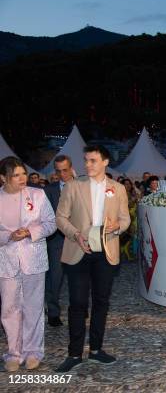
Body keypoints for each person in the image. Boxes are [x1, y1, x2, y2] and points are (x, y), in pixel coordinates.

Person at [54, 145, 130, 372]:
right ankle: (74, 353)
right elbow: (60, 217)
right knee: (77, 303)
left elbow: (125, 219)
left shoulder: (118, 189)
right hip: (79, 251)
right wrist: (76, 235)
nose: (88, 164)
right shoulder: (73, 186)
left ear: (105, 162)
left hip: (105, 252)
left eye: (93, 160)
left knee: (101, 302)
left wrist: (117, 227)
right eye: (86, 160)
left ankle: (96, 350)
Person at [0, 156, 56, 371]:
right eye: (16, 175)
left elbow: (50, 224)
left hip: (34, 258)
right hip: (7, 260)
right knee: (9, 308)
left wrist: (31, 232)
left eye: (23, 173)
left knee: (33, 306)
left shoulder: (38, 194)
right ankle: (13, 353)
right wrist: (8, 236)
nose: (22, 178)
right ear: (3, 178)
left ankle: (34, 351)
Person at [43, 154, 75, 327]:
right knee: (55, 279)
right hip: (57, 241)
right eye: (58, 170)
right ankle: (53, 313)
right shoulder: (49, 190)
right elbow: (46, 217)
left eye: (65, 170)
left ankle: (79, 309)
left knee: (80, 278)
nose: (62, 174)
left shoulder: (82, 187)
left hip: (79, 241)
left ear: (71, 168)